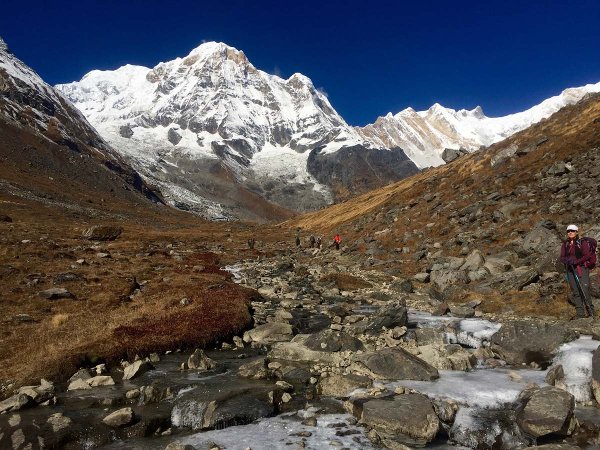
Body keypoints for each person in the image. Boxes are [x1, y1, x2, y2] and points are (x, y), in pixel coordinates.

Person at [559, 224, 595, 318]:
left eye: (572, 230)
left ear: (576, 232)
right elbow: (562, 257)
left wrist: (576, 261)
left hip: (581, 268)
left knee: (584, 290)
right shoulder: (565, 244)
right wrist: (566, 261)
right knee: (575, 292)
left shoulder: (581, 242)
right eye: (568, 231)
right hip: (570, 270)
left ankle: (591, 313)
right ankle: (580, 314)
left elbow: (586, 255)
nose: (570, 232)